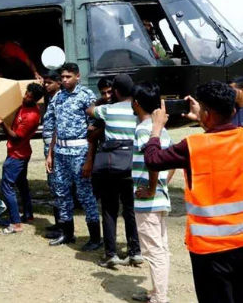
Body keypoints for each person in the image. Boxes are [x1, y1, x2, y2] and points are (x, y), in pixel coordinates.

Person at [145, 81, 243, 303]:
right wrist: (205, 120)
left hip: (209, 249)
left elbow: (152, 160)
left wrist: (157, 128)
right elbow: (222, 136)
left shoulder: (192, 145)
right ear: (233, 111)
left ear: (207, 114)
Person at [86, 75, 142, 267]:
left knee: (109, 209)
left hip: (110, 167)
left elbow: (89, 110)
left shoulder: (108, 109)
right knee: (130, 209)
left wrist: (100, 100)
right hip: (131, 166)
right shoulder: (138, 110)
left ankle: (111, 254)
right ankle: (135, 251)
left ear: (115, 92)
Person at [45, 63, 101, 249]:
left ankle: (95, 238)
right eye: (62, 77)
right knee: (62, 193)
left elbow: (94, 129)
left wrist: (89, 158)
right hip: (60, 152)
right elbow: (55, 127)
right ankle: (67, 233)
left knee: (85, 194)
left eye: (68, 77)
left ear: (78, 76)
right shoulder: (58, 97)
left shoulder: (86, 96)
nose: (64, 80)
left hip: (80, 151)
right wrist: (50, 153)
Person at [131, 82, 175, 303]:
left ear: (136, 103)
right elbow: (172, 159)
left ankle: (160, 297)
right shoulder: (161, 130)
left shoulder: (143, 130)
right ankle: (157, 293)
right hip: (161, 199)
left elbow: (153, 162)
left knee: (154, 251)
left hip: (148, 202)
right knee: (160, 249)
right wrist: (162, 185)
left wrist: (150, 189)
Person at [0, 83, 45, 234]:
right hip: (21, 153)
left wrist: (2, 124)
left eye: (29, 96)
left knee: (7, 187)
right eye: (26, 93)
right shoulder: (25, 106)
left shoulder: (31, 116)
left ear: (35, 99)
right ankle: (28, 215)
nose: (25, 97)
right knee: (22, 185)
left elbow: (16, 137)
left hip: (17, 155)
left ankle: (16, 223)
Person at [41, 71, 63, 238]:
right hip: (50, 147)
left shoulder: (59, 99)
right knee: (54, 186)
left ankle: (62, 226)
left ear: (58, 83)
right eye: (45, 82)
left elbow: (57, 128)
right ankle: (58, 224)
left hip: (54, 148)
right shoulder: (52, 99)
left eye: (49, 82)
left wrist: (51, 153)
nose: (46, 85)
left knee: (58, 186)